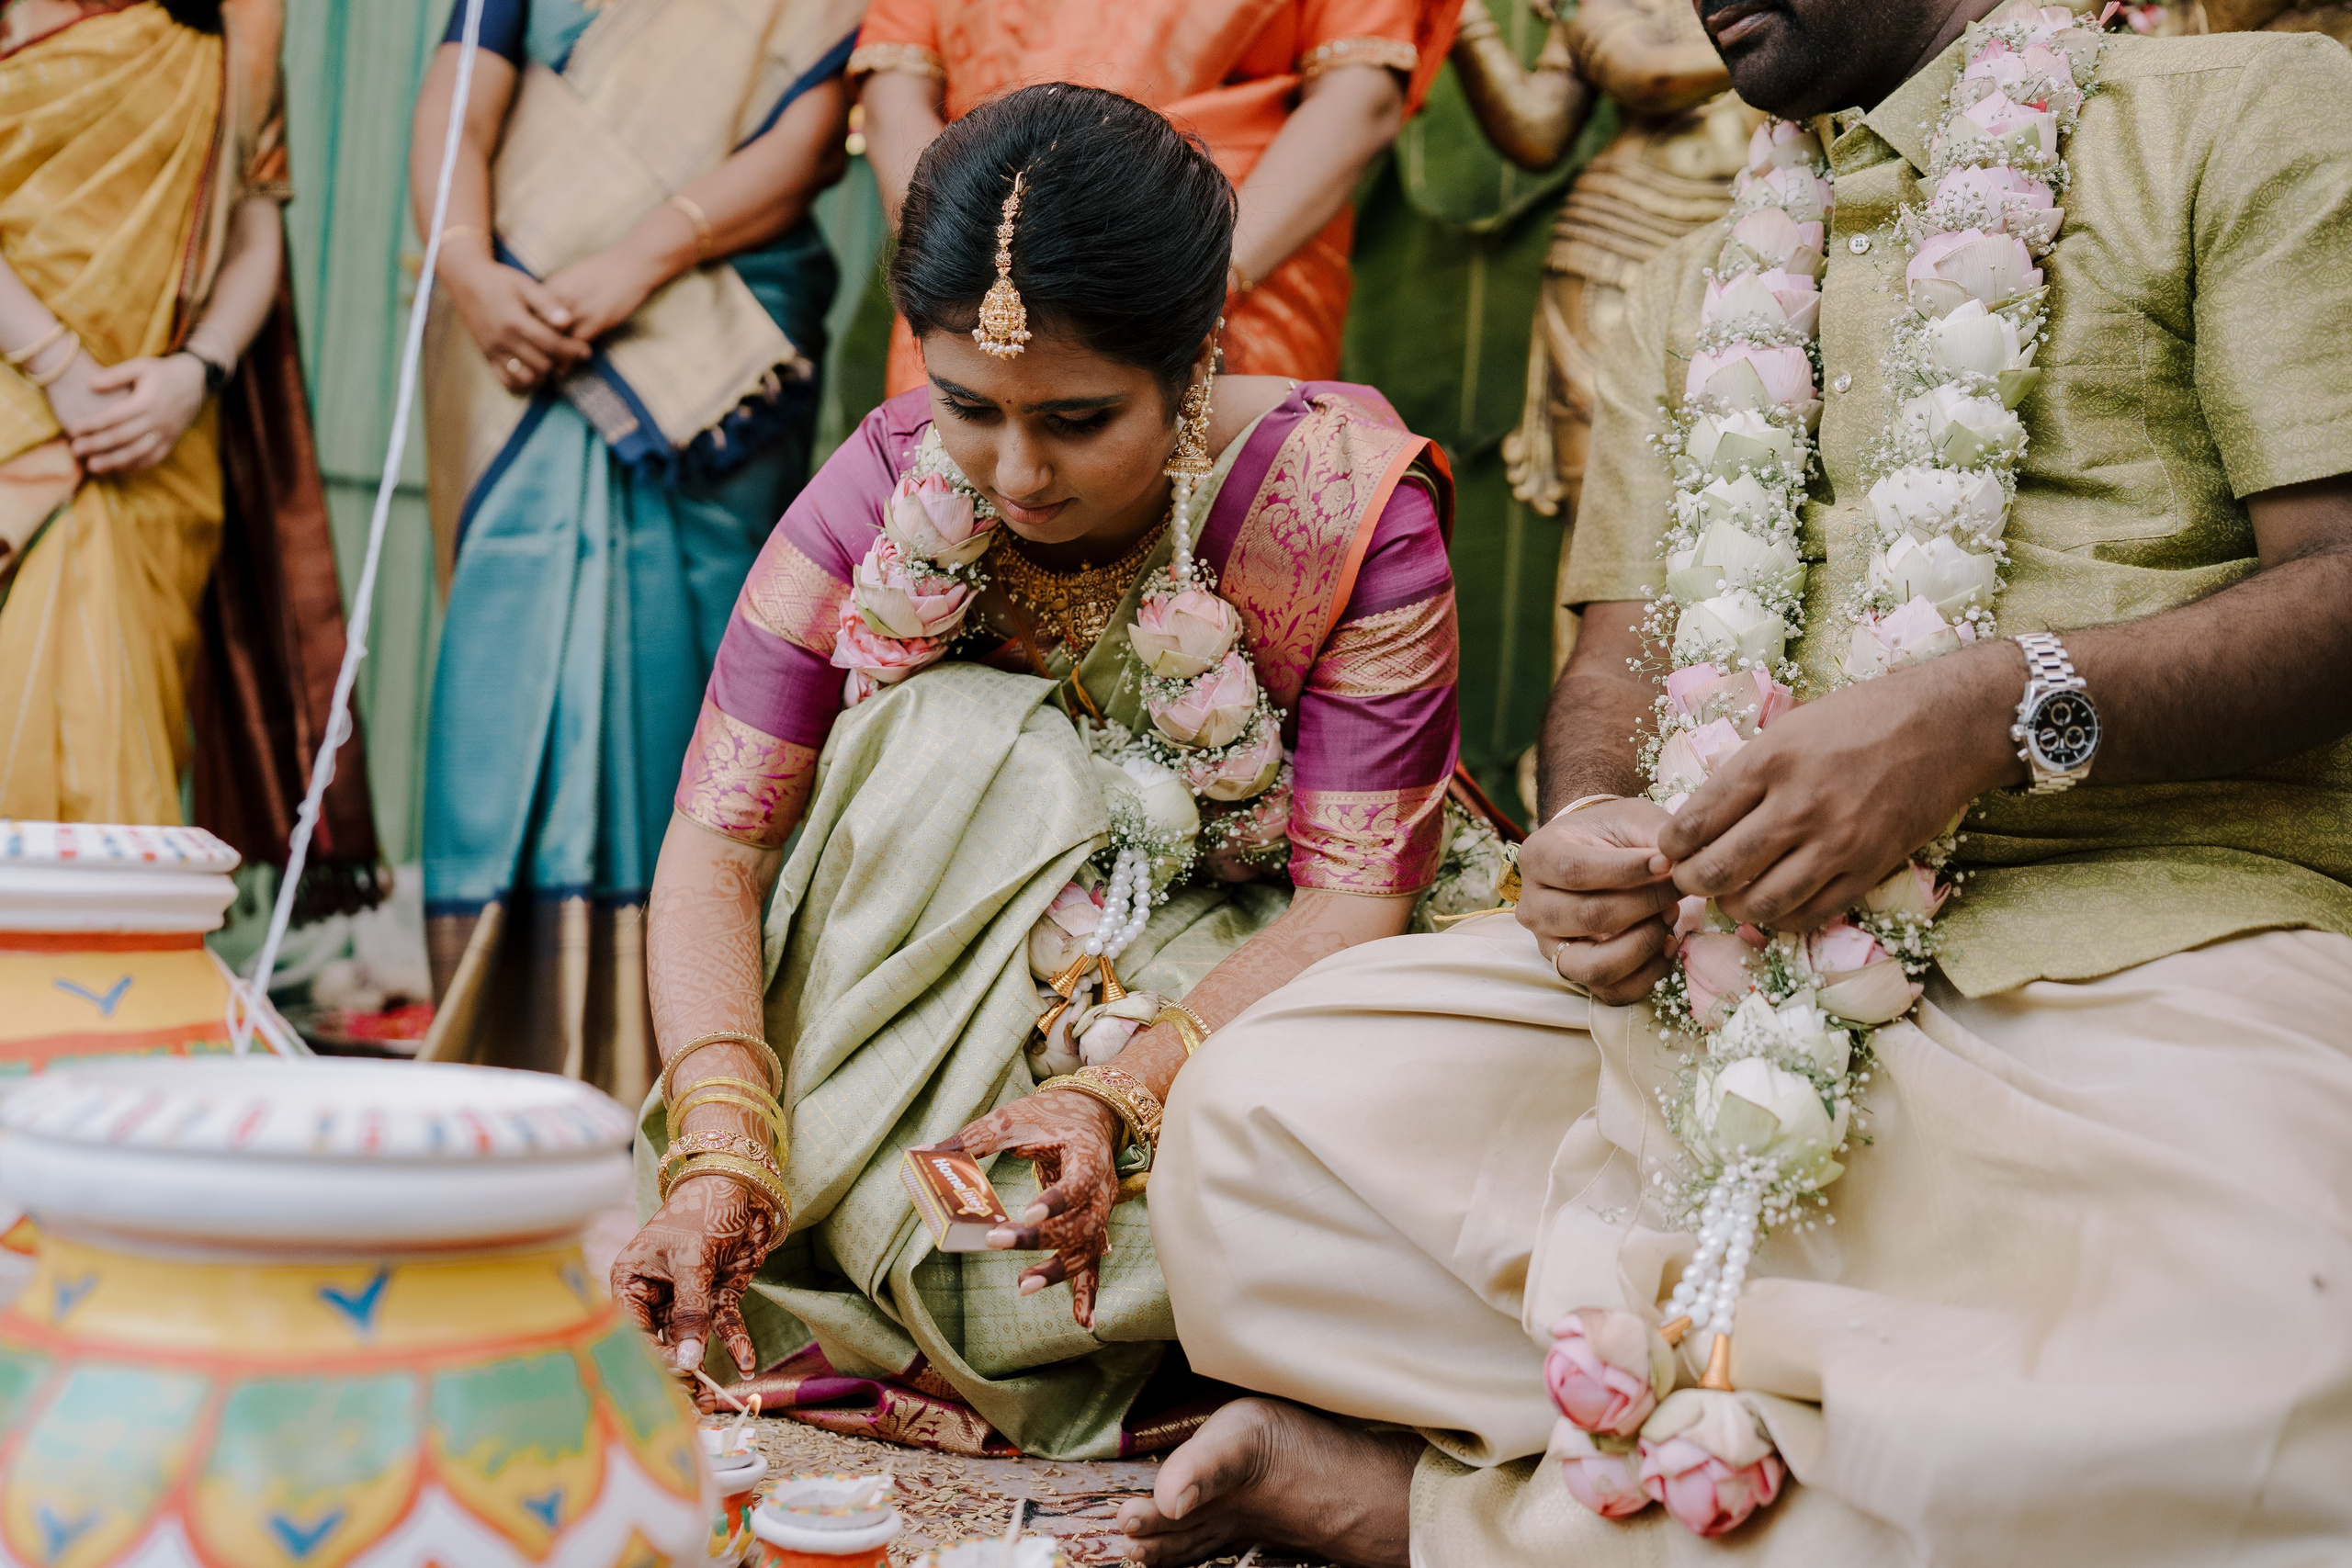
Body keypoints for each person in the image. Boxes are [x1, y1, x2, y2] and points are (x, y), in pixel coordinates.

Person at [1126, 0, 2352, 1560]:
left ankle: (1457, 1502)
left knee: (2295, 1331)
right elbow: (1624, 663)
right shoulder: (1693, 276)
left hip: (2140, 969)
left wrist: (1992, 710)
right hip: (1719, 970)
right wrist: (1590, 830)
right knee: (1252, 1130)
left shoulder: (2244, 114)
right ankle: (1878, 1433)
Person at [609, 83, 1471, 1462]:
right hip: (932, 989)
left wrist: (1113, 1095)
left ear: (1196, 362)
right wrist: (721, 1143)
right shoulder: (885, 482)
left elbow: (1354, 902)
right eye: (968, 405)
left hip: (1252, 962)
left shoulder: (1343, 511)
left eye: (1077, 417)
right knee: (937, 740)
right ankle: (837, 1216)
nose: (1015, 470)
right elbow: (720, 845)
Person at [411, 0, 863, 1098]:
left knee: (690, 675)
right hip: (512, 326)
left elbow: (806, 143)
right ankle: (490, 1054)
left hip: (708, 334)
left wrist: (637, 261)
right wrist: (466, 266)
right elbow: (458, 109)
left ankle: (679, 1069)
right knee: (500, 677)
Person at [0, 0, 379, 897]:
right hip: (20, 406)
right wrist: (57, 367)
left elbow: (254, 228)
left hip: (156, 430)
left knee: (117, 713)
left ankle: (108, 993)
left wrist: (194, 374)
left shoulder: (240, 25)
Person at [851, 0, 1465, 398]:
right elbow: (893, 102)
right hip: (981, 278)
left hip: (1233, 262)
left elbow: (1358, 100)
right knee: (941, 544)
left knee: (1219, 562)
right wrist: (965, 264)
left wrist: (1200, 280)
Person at [1452, 0, 1758, 668]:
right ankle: (1594, 747)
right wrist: (1462, 18)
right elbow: (1557, 119)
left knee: (1761, 490)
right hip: (1619, 249)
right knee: (1607, 525)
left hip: (1763, 241)